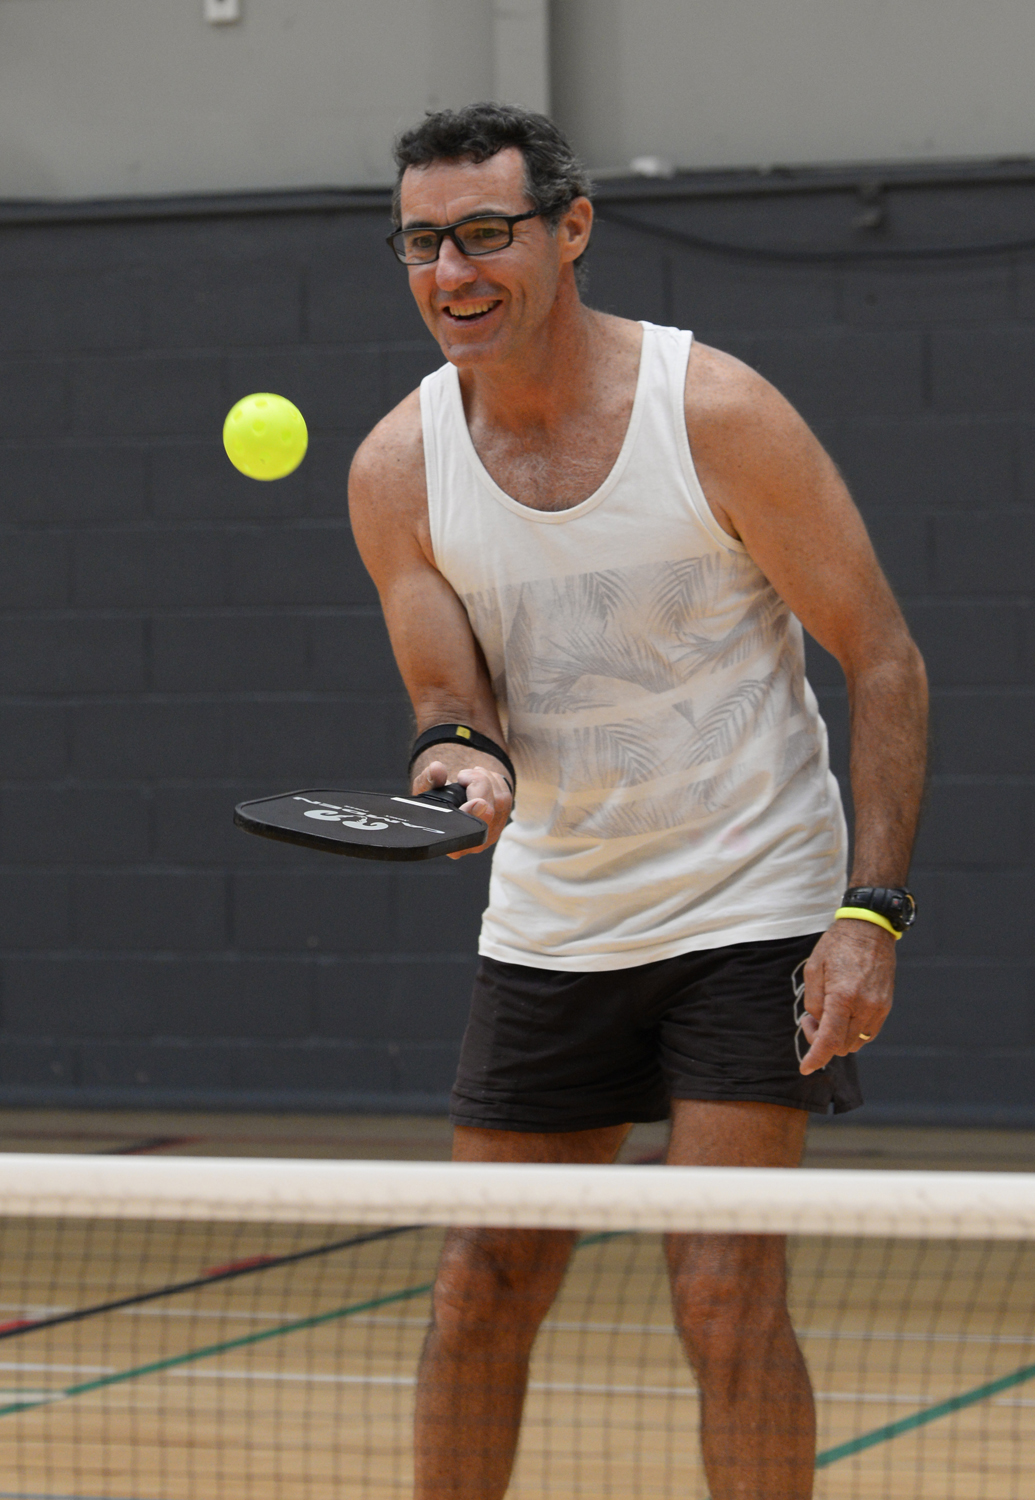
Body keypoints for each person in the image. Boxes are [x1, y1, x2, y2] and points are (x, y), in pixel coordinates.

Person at [348, 102, 927, 1500]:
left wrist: (870, 914)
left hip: (751, 908)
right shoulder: (397, 468)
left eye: (485, 233)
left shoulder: (714, 414)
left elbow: (884, 660)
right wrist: (463, 765)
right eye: (423, 243)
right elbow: (449, 699)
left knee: (724, 1287)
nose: (453, 272)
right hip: (556, 918)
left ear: (572, 229)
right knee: (481, 1284)